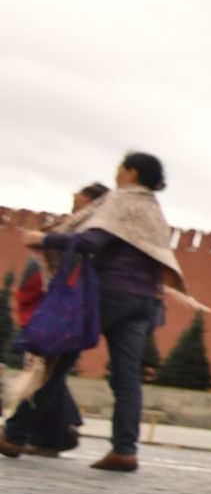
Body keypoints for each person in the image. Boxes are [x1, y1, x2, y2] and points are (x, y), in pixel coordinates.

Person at [10, 154, 191, 472]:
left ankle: (14, 434)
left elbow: (93, 241)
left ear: (132, 172)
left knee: (55, 360)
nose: (117, 173)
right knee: (126, 379)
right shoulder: (154, 211)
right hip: (144, 301)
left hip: (107, 295)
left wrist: (44, 238)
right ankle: (124, 449)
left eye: (121, 167)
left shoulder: (121, 201)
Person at [1, 183, 108, 458]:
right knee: (52, 372)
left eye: (80, 196)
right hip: (49, 310)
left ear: (94, 202)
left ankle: (17, 434)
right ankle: (56, 435)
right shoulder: (75, 228)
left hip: (60, 314)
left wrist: (46, 239)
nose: (74, 197)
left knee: (48, 372)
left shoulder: (89, 233)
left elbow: (64, 273)